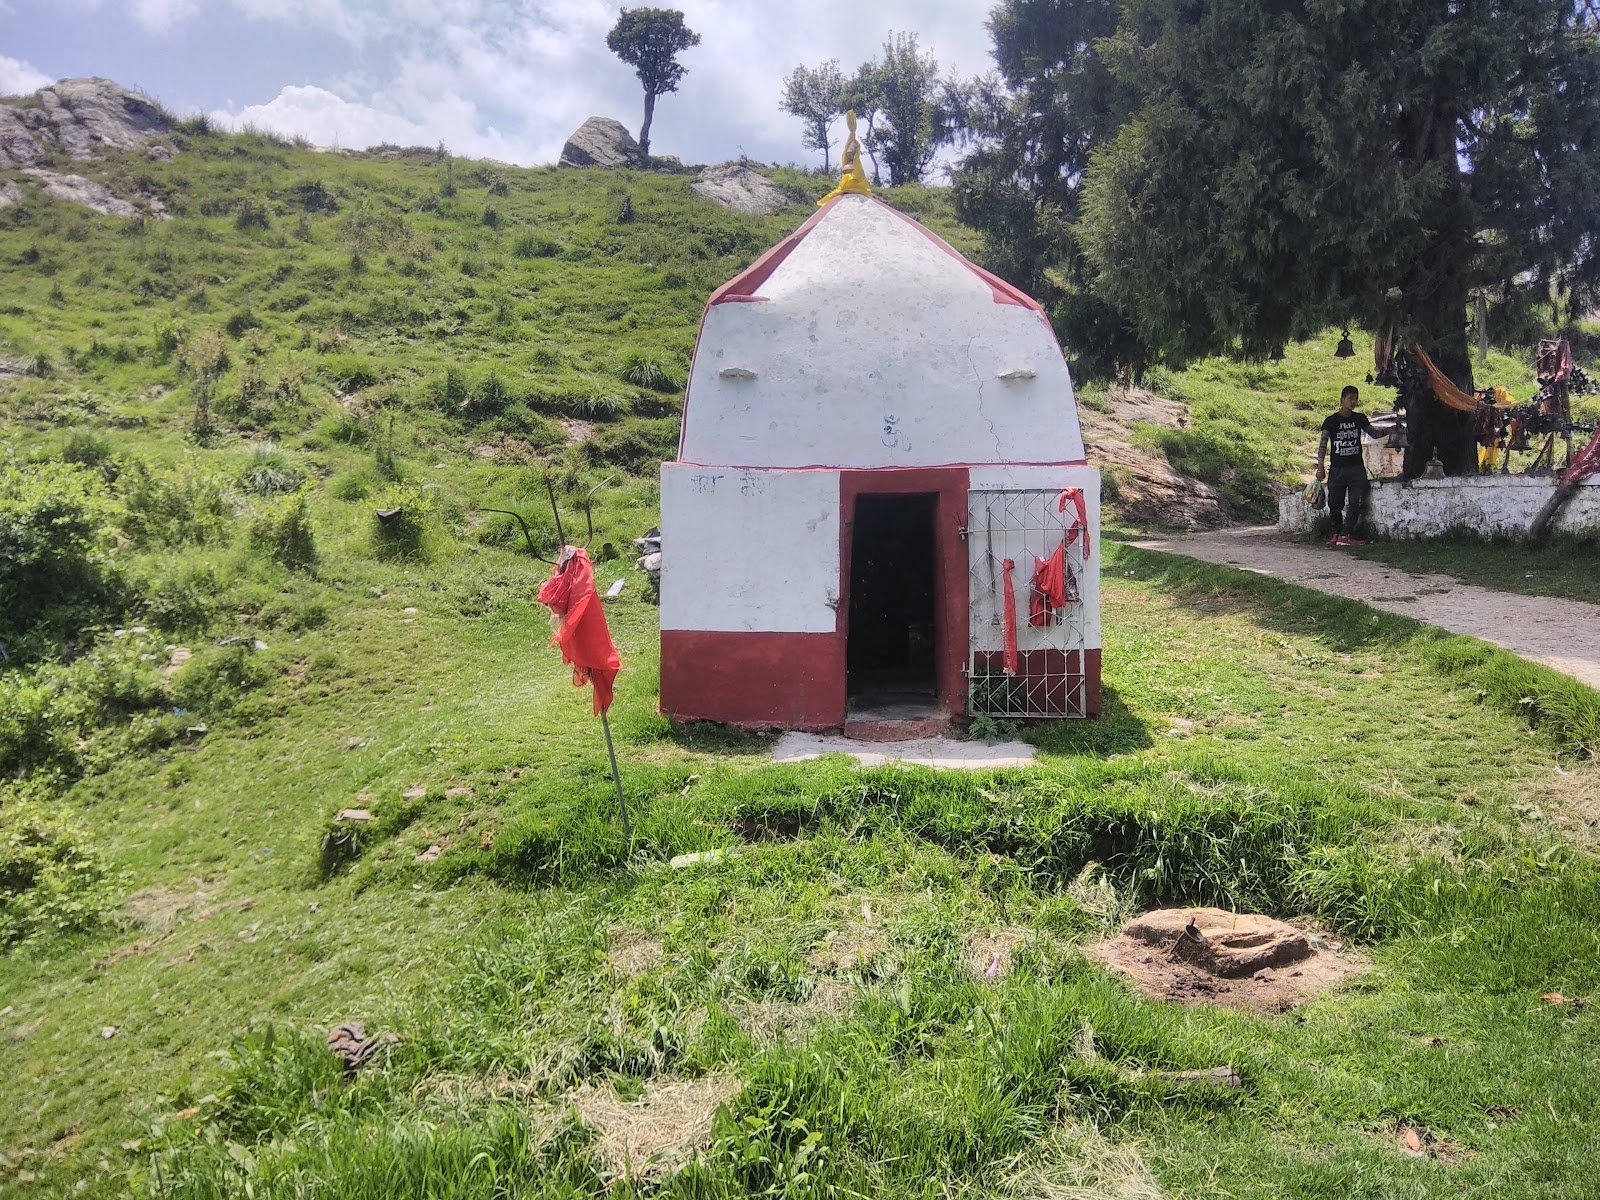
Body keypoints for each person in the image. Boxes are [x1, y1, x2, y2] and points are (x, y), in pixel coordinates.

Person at [1315, 385, 1376, 546]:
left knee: (1355, 502)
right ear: (1342, 400)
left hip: (1356, 468)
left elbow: (1373, 433)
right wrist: (1320, 466)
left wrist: (1392, 431)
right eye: (1350, 398)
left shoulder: (1360, 419)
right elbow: (1322, 445)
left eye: (1356, 398)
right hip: (1337, 469)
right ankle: (1337, 532)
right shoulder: (1331, 421)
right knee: (1334, 503)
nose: (1354, 402)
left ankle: (1346, 534)